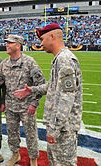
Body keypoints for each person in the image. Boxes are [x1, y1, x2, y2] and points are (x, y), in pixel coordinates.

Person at [14, 23, 83, 166]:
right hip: (60, 126)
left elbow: (67, 97)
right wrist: (31, 90)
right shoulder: (59, 58)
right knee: (55, 161)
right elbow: (52, 87)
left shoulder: (64, 59)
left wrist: (55, 129)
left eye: (42, 39)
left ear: (52, 36)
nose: (41, 44)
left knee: (63, 163)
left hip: (64, 128)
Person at [0, 34, 46, 166]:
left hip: (27, 107)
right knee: (12, 133)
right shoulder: (4, 63)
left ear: (18, 45)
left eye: (10, 43)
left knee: (31, 135)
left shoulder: (29, 62)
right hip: (10, 106)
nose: (7, 45)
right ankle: (15, 155)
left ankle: (33, 159)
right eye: (7, 42)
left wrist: (34, 104)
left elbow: (41, 85)